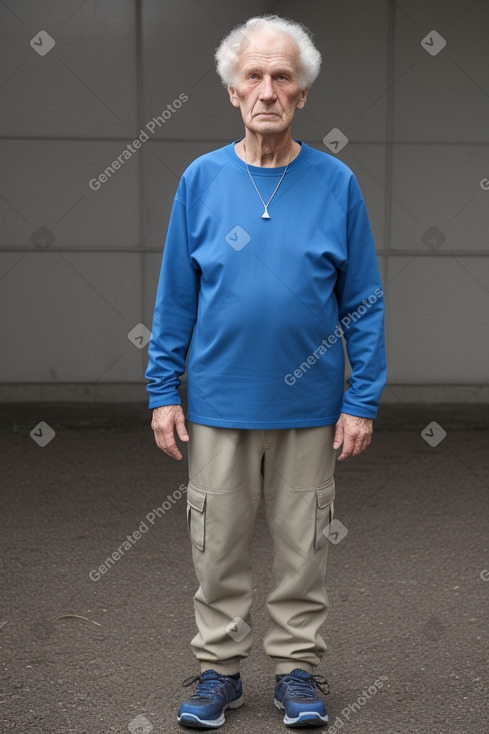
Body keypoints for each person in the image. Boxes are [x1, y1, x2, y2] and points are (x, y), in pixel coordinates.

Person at [146, 14, 387, 729]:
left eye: (283, 76)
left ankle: (296, 672)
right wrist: (163, 391)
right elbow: (173, 298)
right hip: (217, 403)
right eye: (252, 74)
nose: (267, 89)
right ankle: (218, 671)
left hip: (310, 407)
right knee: (214, 547)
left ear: (302, 92)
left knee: (302, 548)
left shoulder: (335, 183)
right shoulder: (201, 180)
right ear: (230, 89)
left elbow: (363, 301)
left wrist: (361, 398)